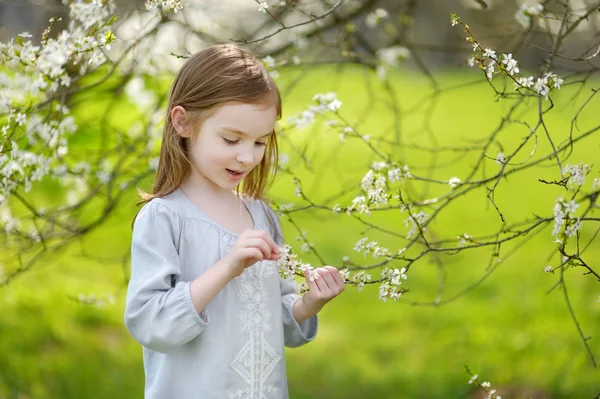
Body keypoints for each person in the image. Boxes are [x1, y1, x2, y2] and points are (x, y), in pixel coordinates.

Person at [124, 44, 345, 399]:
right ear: (183, 123)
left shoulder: (259, 215)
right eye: (231, 139)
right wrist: (227, 266)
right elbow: (151, 323)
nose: (247, 156)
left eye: (260, 142)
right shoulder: (166, 218)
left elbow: (280, 321)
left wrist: (310, 303)